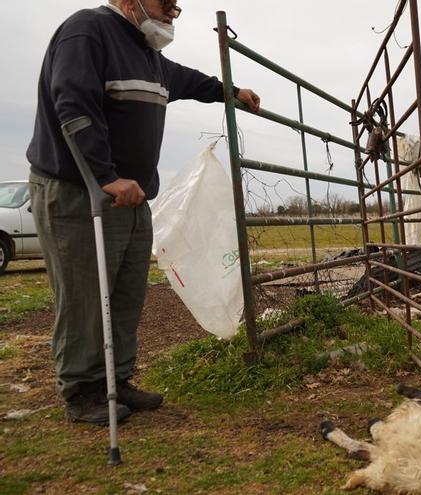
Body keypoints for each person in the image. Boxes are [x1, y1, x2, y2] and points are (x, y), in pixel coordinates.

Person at [26, 0, 260, 425]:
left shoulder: (149, 56)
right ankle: (82, 390)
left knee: (127, 293)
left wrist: (231, 91)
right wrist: (105, 176)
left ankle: (117, 380)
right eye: (163, 0)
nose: (173, 10)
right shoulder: (88, 31)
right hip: (81, 190)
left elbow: (186, 79)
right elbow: (73, 106)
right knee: (85, 295)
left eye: (176, 3)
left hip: (132, 196)